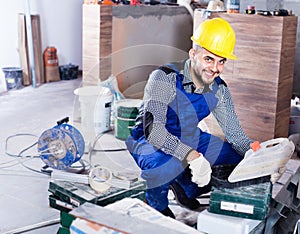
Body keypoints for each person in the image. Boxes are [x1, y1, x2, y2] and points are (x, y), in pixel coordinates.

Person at [125, 17, 253, 218]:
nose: (215, 68)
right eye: (208, 59)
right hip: (148, 139)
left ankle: (185, 189)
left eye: (221, 61)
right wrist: (192, 156)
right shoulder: (164, 77)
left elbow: (235, 135)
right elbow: (153, 132)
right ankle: (154, 205)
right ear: (193, 54)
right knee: (167, 165)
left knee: (236, 158)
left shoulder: (219, 89)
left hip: (190, 136)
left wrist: (258, 155)